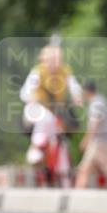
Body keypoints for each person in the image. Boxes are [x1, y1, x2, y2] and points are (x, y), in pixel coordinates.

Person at [20, 43, 83, 187]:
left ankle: (63, 173)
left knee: (61, 137)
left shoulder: (65, 71)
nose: (55, 63)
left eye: (58, 59)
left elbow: (74, 86)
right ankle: (36, 147)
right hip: (36, 110)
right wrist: (31, 97)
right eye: (52, 59)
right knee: (46, 118)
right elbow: (24, 92)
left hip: (55, 113)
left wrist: (77, 96)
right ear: (44, 59)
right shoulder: (37, 72)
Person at [75, 80, 107, 189]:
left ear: (86, 91)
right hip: (103, 141)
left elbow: (94, 123)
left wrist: (86, 140)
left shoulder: (95, 103)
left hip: (100, 144)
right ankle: (78, 194)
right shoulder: (102, 100)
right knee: (84, 169)